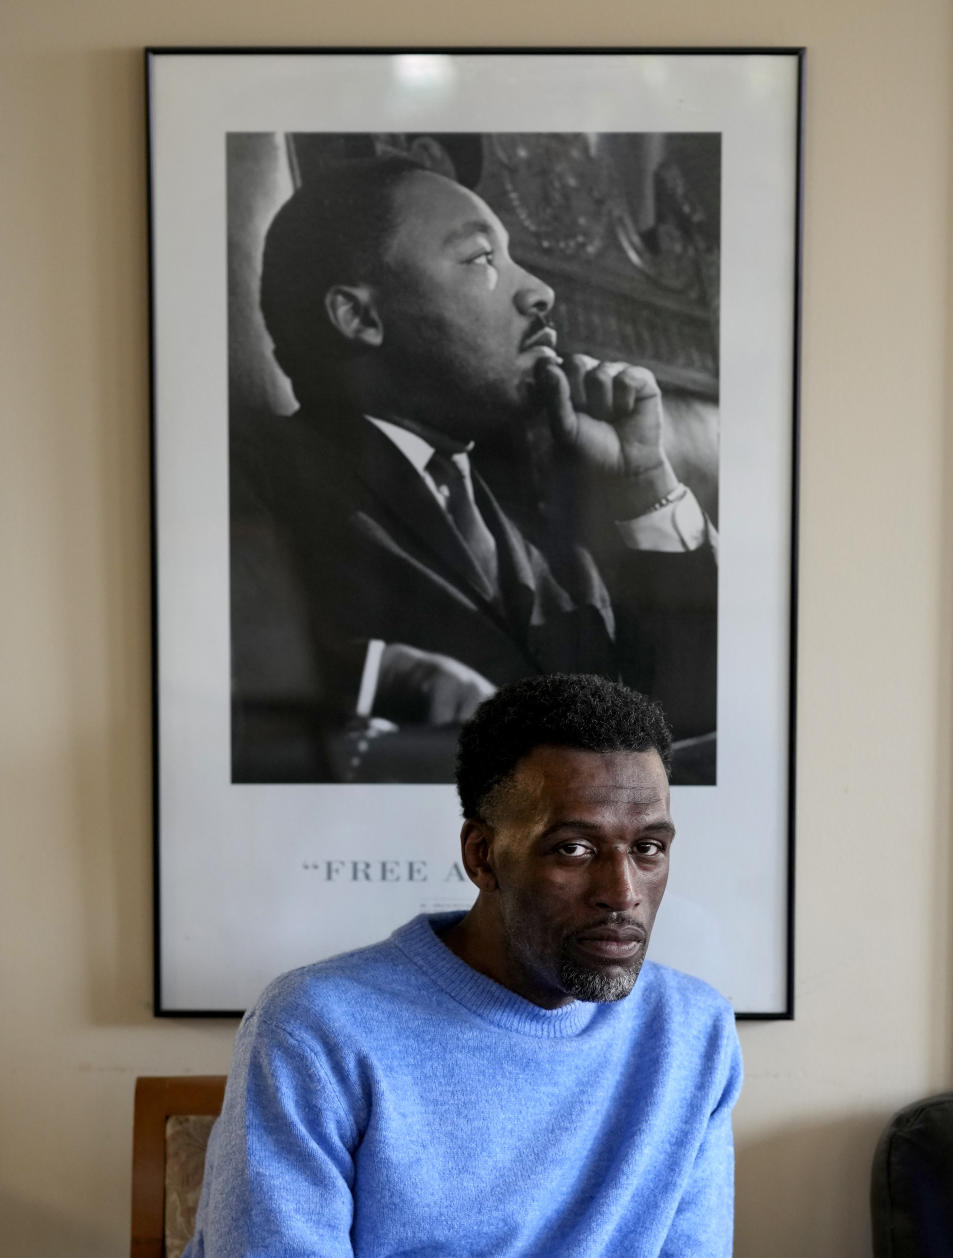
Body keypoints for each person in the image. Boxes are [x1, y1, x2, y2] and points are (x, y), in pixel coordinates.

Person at [185, 674, 742, 1258]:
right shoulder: (316, 1026)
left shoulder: (693, 1030)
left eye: (648, 848)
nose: (622, 892)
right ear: (482, 856)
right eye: (573, 849)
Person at [231, 154, 718, 784]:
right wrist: (387, 676)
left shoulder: (547, 521)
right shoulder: (253, 477)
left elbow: (695, 719)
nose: (540, 292)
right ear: (361, 317)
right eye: (482, 258)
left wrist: (644, 483)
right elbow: (214, 674)